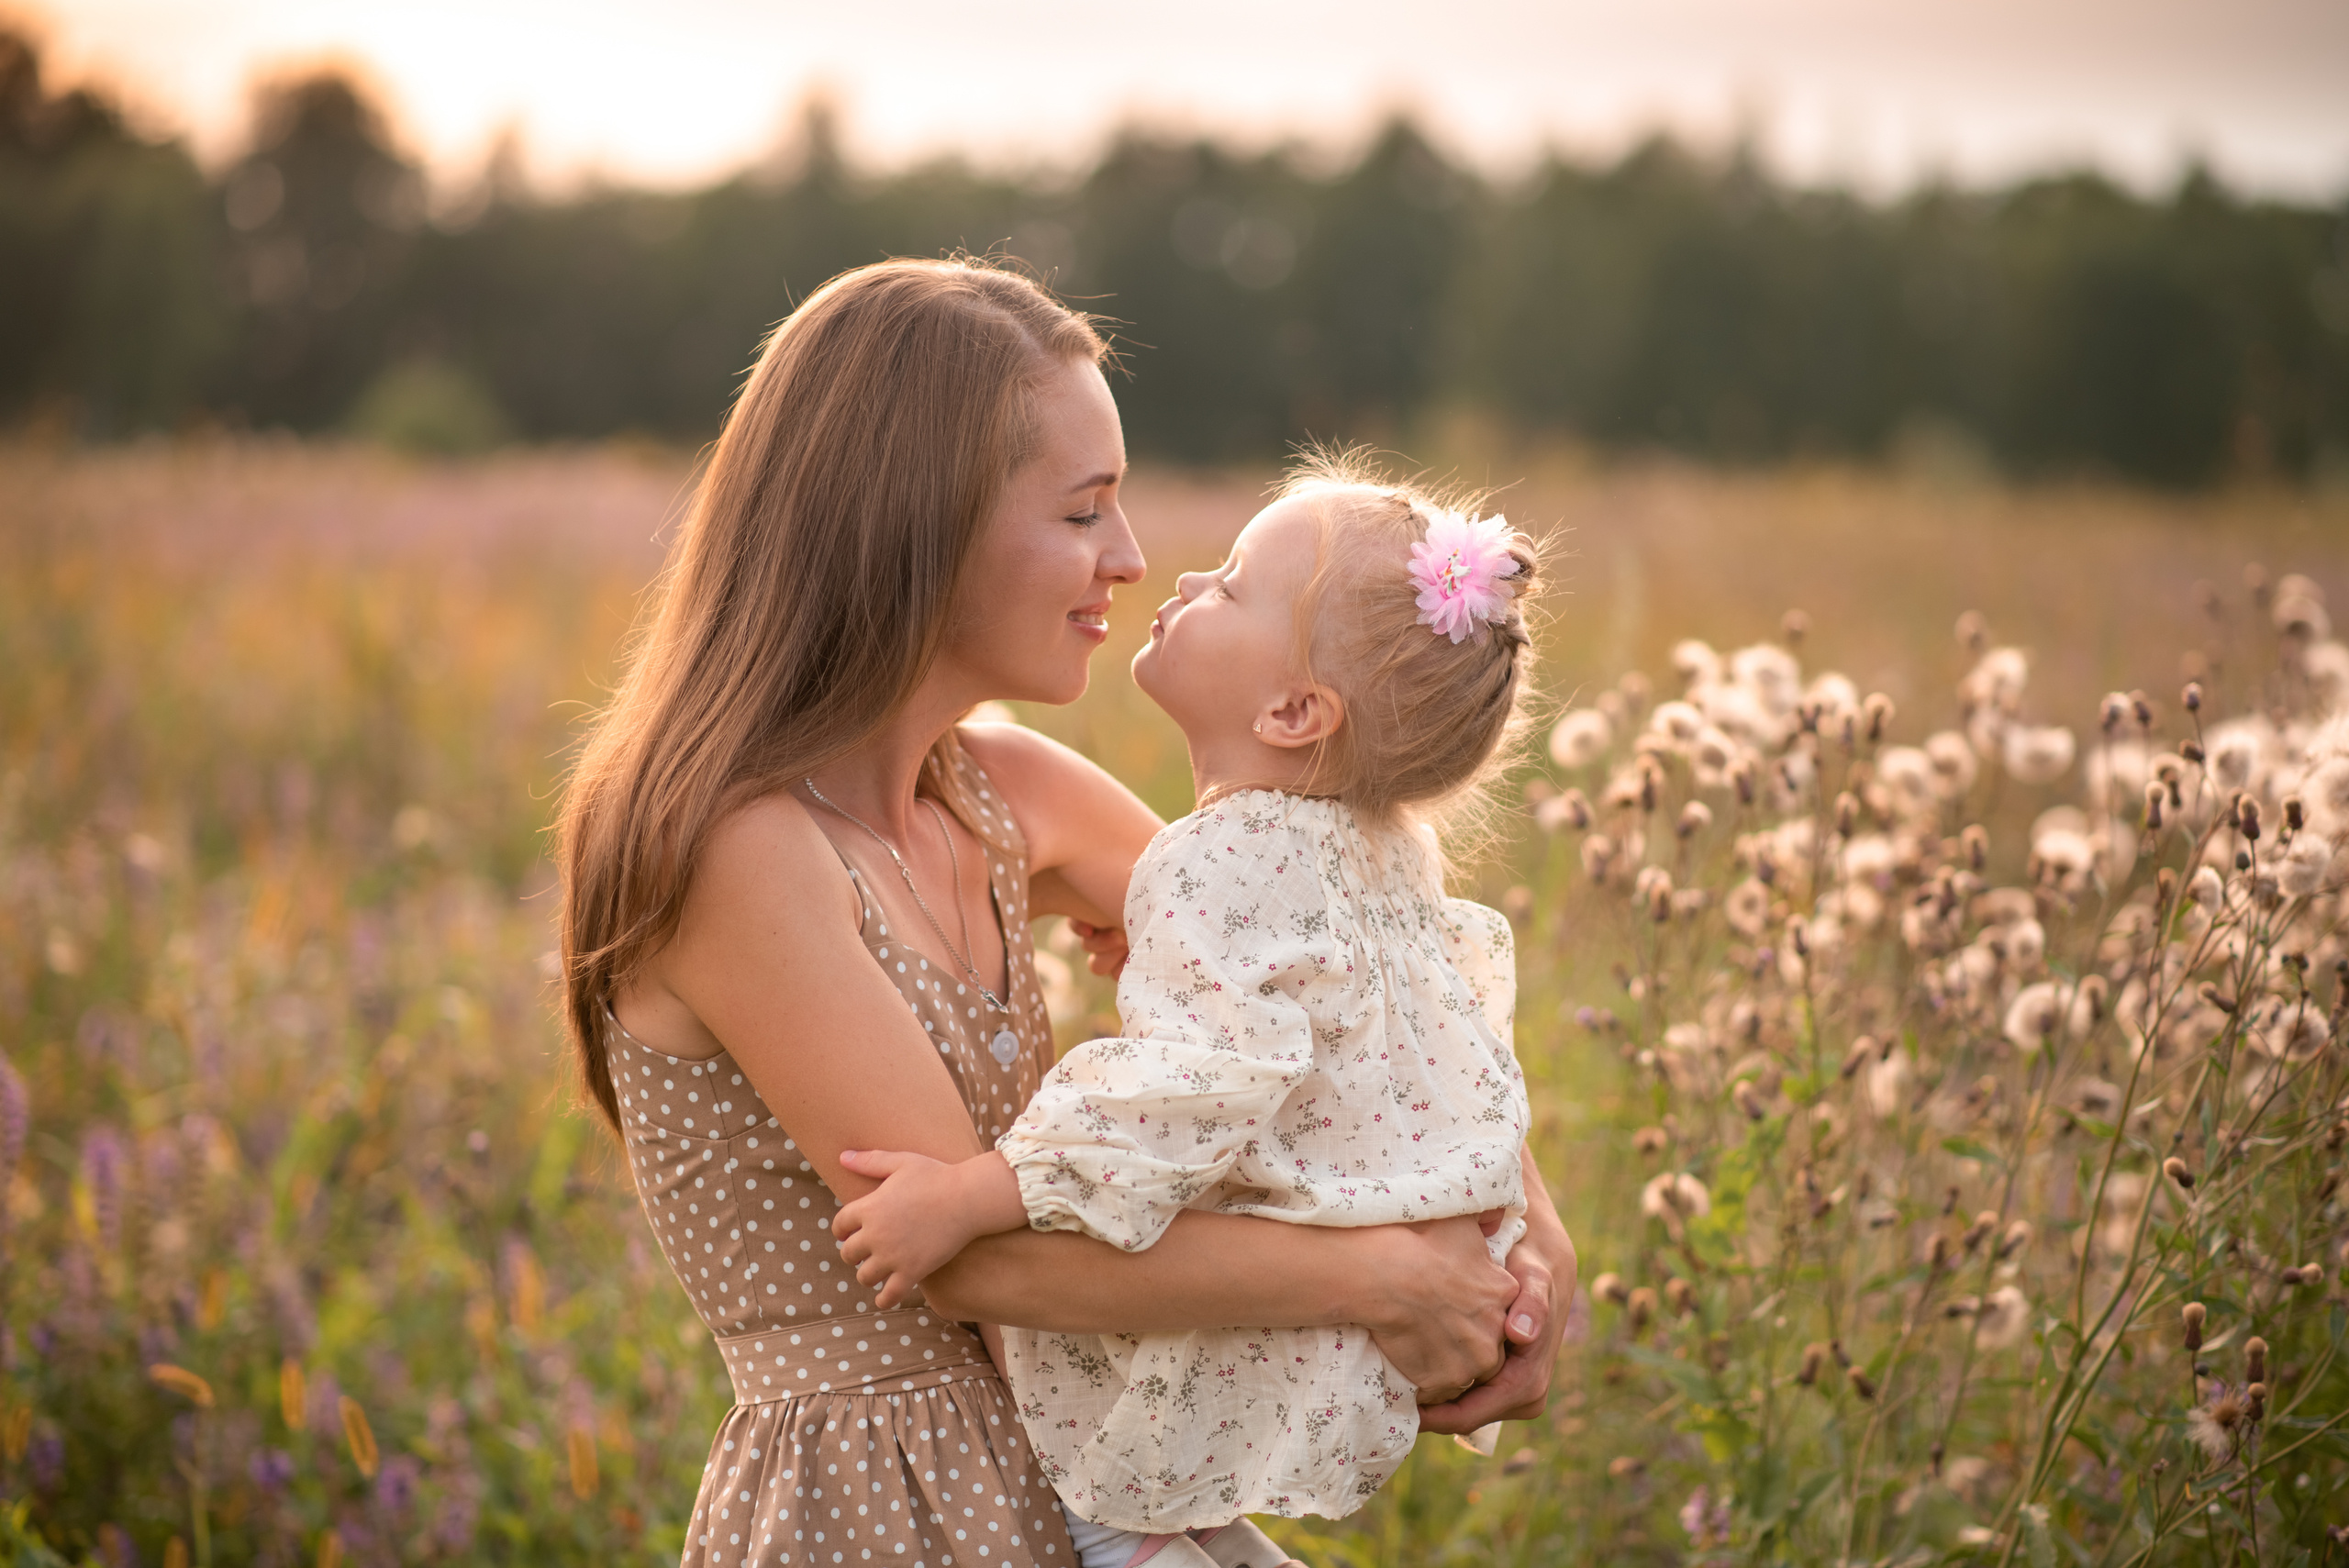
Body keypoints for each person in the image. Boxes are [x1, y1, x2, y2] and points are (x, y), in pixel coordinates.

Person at [556, 256, 1575, 1568]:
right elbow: (977, 1265)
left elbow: (1355, 975)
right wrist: (1385, 1277)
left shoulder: (1007, 793)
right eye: (1084, 510)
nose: (1132, 559)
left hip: (1099, 1486)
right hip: (886, 1501)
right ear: (914, 525)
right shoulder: (739, 855)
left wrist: (1527, 1242)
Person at [832, 459, 1542, 1567]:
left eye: (1229, 585)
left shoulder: (1218, 856)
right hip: (1360, 1326)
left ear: (1293, 710)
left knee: (1107, 1493)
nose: (1176, 576)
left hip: (1226, 1346)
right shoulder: (1386, 853)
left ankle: (1144, 1537)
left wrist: (975, 1191)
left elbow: (1184, 1095)